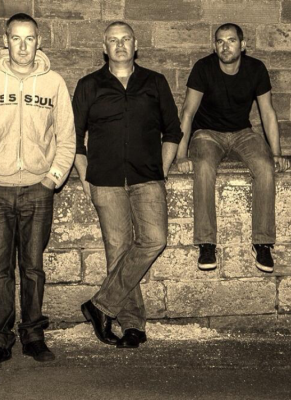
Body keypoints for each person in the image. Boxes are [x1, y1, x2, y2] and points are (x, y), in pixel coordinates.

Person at [73, 21, 182, 349]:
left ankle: (100, 305)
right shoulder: (88, 85)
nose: (119, 45)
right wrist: (85, 178)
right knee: (118, 252)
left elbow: (172, 131)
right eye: (113, 40)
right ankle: (133, 325)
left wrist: (161, 171)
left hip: (147, 177)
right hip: (104, 181)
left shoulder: (155, 82)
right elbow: (73, 138)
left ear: (136, 45)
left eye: (125, 39)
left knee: (155, 239)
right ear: (104, 47)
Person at [0, 13, 76, 367]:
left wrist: (52, 178)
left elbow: (66, 137)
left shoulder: (53, 83)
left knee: (33, 268)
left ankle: (33, 335)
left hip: (38, 190)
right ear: (5, 41)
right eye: (16, 38)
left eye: (29, 38)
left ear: (39, 41)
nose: (23, 46)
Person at [176, 23, 289, 273]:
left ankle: (262, 243)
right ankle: (206, 243)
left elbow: (268, 112)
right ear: (214, 46)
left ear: (243, 44)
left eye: (231, 40)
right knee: (204, 167)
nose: (225, 46)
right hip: (207, 133)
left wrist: (276, 153)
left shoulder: (256, 69)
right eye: (220, 41)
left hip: (242, 133)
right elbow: (187, 112)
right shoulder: (203, 68)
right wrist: (181, 155)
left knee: (265, 167)